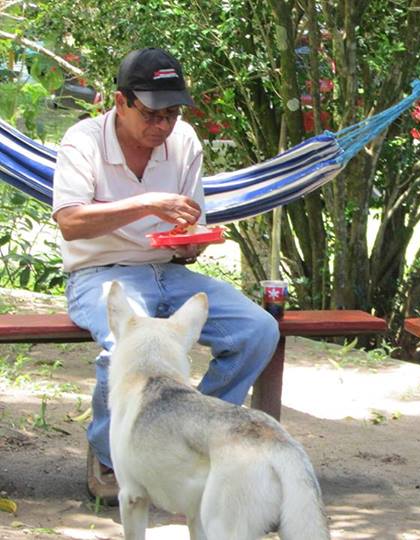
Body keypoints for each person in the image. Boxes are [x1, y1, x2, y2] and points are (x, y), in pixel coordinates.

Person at [51, 48, 280, 504]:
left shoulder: (185, 141)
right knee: (124, 348)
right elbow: (70, 222)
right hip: (99, 274)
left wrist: (191, 244)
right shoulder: (83, 141)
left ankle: (193, 434)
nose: (162, 126)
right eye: (152, 114)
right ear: (121, 102)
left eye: (172, 114)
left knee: (258, 330)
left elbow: (191, 225)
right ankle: (110, 453)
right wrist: (147, 204)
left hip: (169, 272)